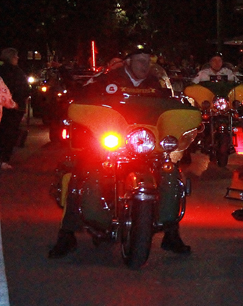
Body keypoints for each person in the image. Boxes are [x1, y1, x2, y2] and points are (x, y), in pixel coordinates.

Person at [48, 45, 187, 258]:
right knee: (80, 174)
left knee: (170, 173)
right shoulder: (106, 81)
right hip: (109, 139)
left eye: (148, 60)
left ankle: (171, 233)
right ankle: (66, 234)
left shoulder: (155, 84)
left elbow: (168, 107)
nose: (145, 64)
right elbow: (83, 100)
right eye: (140, 60)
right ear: (128, 61)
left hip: (143, 143)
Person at [0, 48, 29, 171]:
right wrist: (17, 104)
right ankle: (4, 159)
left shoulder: (1, 71)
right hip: (12, 107)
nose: (17, 58)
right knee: (9, 133)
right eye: (16, 56)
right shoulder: (17, 72)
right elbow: (23, 89)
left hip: (5, 108)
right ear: (11, 57)